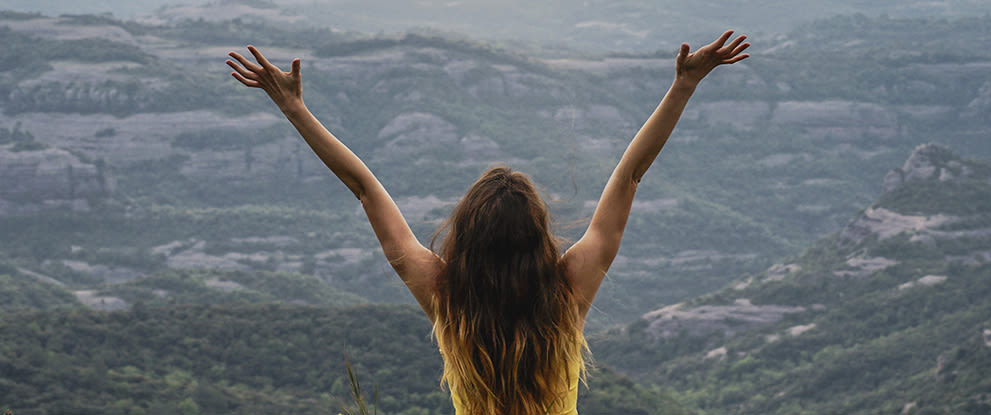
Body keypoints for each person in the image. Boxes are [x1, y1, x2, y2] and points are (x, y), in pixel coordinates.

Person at [227, 30, 749, 415]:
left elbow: (365, 188)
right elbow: (630, 175)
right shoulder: (568, 296)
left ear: (467, 238)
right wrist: (683, 85)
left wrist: (294, 108)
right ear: (538, 237)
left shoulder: (446, 299)